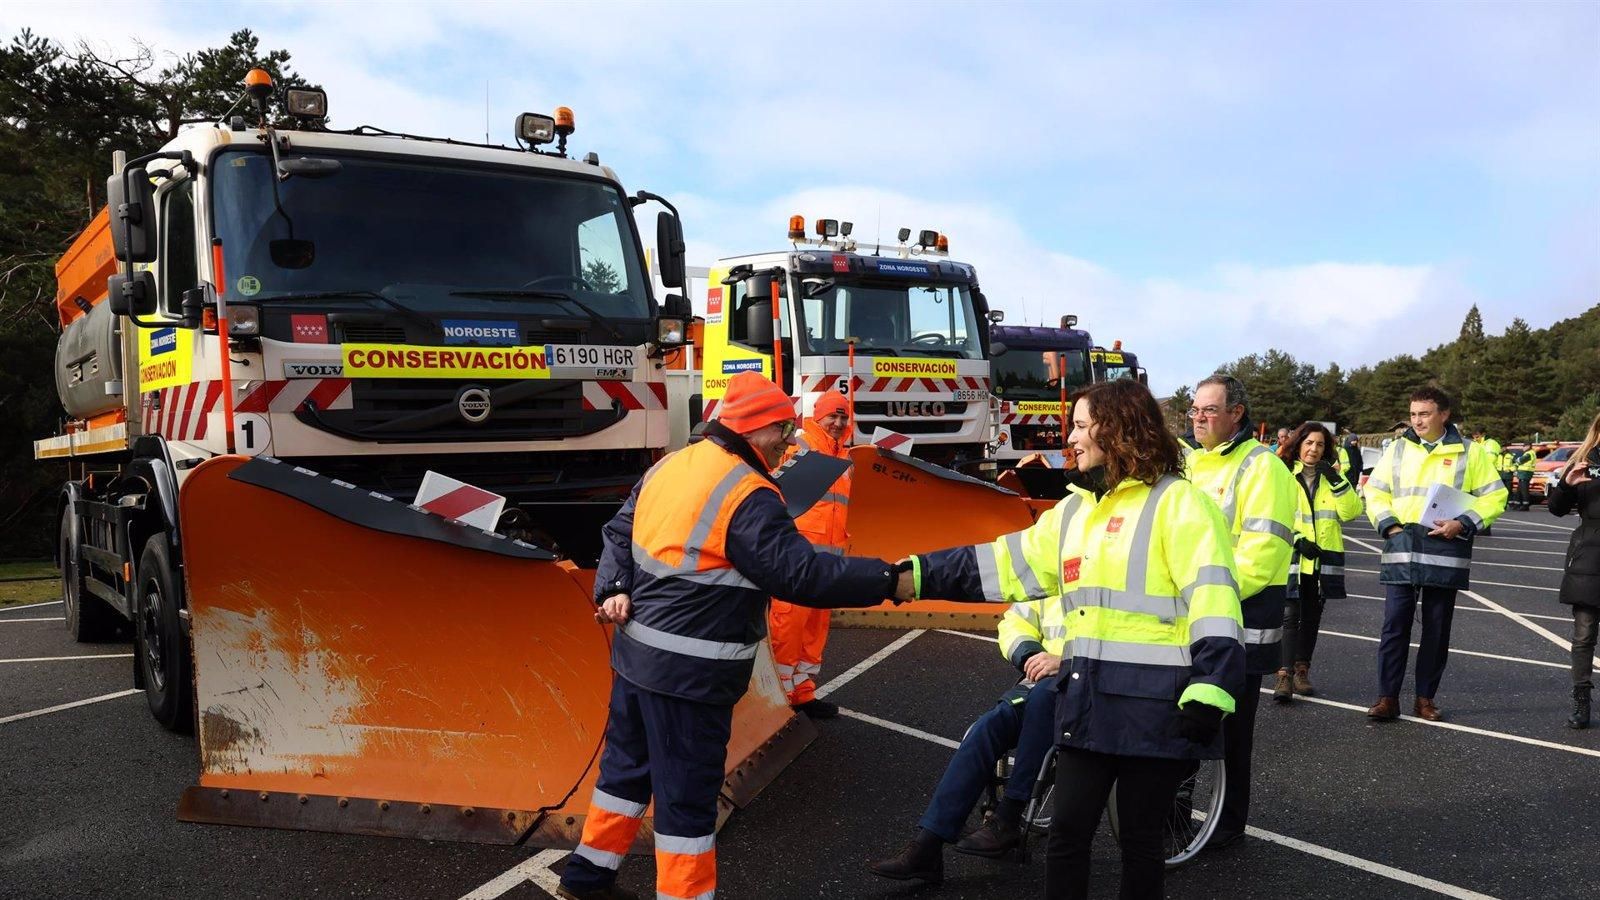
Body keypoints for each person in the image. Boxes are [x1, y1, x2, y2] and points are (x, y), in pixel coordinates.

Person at [557, 371, 911, 900]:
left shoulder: (673, 464)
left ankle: (587, 875)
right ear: (752, 429)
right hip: (690, 677)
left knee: (624, 774)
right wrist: (891, 579)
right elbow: (802, 577)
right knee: (686, 802)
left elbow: (618, 531)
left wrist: (613, 585)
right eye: (781, 431)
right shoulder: (749, 493)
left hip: (636, 659)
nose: (789, 440)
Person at [899, 378, 1244, 899]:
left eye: (1082, 426)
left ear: (1118, 429)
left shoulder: (1181, 504)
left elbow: (1215, 603)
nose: (1072, 438)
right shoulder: (1074, 511)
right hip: (1088, 702)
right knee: (1066, 836)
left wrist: (1210, 690)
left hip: (1157, 710)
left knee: (1140, 844)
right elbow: (1000, 565)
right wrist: (914, 575)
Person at [867, 593, 1068, 883]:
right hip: (1041, 682)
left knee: (1041, 703)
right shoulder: (1056, 572)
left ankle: (1009, 816)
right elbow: (1015, 621)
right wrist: (1030, 655)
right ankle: (928, 847)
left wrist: (1066, 662)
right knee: (988, 727)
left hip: (1087, 686)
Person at [1183, 374, 1297, 849]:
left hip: (1239, 622)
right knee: (1185, 722)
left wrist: (1200, 593)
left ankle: (1228, 828)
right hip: (1191, 615)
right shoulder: (1188, 464)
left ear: (1237, 415)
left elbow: (1262, 555)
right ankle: (1179, 816)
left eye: (1210, 410)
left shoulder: (1263, 468)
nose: (1200, 418)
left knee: (1232, 734)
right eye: (1194, 410)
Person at [1362, 386, 1507, 723]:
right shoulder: (1397, 449)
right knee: (1394, 626)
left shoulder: (1471, 453)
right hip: (1403, 543)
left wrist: (1462, 522)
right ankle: (1388, 698)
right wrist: (1389, 527)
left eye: (1424, 414)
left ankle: (1425, 699)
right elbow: (1376, 491)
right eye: (1413, 414)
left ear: (1444, 414)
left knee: (1437, 629)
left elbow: (1494, 496)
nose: (1417, 421)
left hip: (1446, 545)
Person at [769, 391, 854, 718]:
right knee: (788, 626)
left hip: (827, 561)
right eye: (832, 416)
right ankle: (778, 697)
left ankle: (803, 693)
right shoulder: (798, 446)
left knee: (815, 630)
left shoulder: (843, 457)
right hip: (797, 559)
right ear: (817, 417)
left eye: (843, 417)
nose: (837, 423)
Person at [1272, 423, 1363, 701]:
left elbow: (1352, 512)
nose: (1313, 449)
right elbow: (1273, 511)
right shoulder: (1283, 474)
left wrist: (1337, 482)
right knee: (1289, 615)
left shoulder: (1332, 477)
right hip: (1293, 554)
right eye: (1309, 443)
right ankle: (1284, 675)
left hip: (1322, 559)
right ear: (1298, 444)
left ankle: (1302, 672)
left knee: (1311, 617)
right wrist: (1297, 537)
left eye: (1320, 445)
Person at [1548, 412, 1600, 730]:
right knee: (1584, 636)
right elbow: (1555, 508)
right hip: (1589, 558)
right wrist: (1567, 485)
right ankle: (1582, 701)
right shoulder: (1583, 460)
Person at [1471, 428, 1502, 535]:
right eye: (1474, 436)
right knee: (1476, 503)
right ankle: (1478, 527)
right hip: (1477, 476)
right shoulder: (1478, 443)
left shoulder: (1491, 443)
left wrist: (1476, 466)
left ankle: (1485, 529)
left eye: (1477, 436)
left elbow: (1490, 459)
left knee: (1486, 503)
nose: (1475, 438)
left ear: (1483, 434)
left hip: (1487, 476)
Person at [1512, 445, 1538, 510]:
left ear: (1528, 446)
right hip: (1523, 473)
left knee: (1524, 490)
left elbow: (1520, 460)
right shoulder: (1529, 453)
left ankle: (1525, 505)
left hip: (1525, 473)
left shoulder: (1529, 454)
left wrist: (1516, 459)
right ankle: (1517, 504)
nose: (1523, 448)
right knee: (1519, 490)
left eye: (1524, 446)